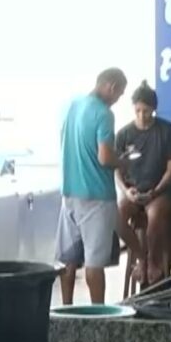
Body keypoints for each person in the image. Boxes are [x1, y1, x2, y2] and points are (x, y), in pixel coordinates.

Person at [57, 68, 127, 305]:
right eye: (119, 94)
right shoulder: (104, 114)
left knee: (69, 261)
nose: (117, 100)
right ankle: (98, 316)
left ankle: (65, 311)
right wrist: (124, 161)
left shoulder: (71, 106)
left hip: (69, 193)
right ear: (112, 87)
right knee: (94, 264)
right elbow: (105, 157)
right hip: (96, 196)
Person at [114, 82, 171, 286]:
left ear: (153, 109)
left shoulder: (166, 130)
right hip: (133, 191)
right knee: (115, 216)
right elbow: (116, 170)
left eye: (146, 111)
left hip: (159, 191)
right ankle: (140, 257)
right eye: (138, 111)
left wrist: (157, 190)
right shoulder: (124, 134)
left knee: (155, 216)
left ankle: (153, 262)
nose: (142, 115)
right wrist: (126, 191)